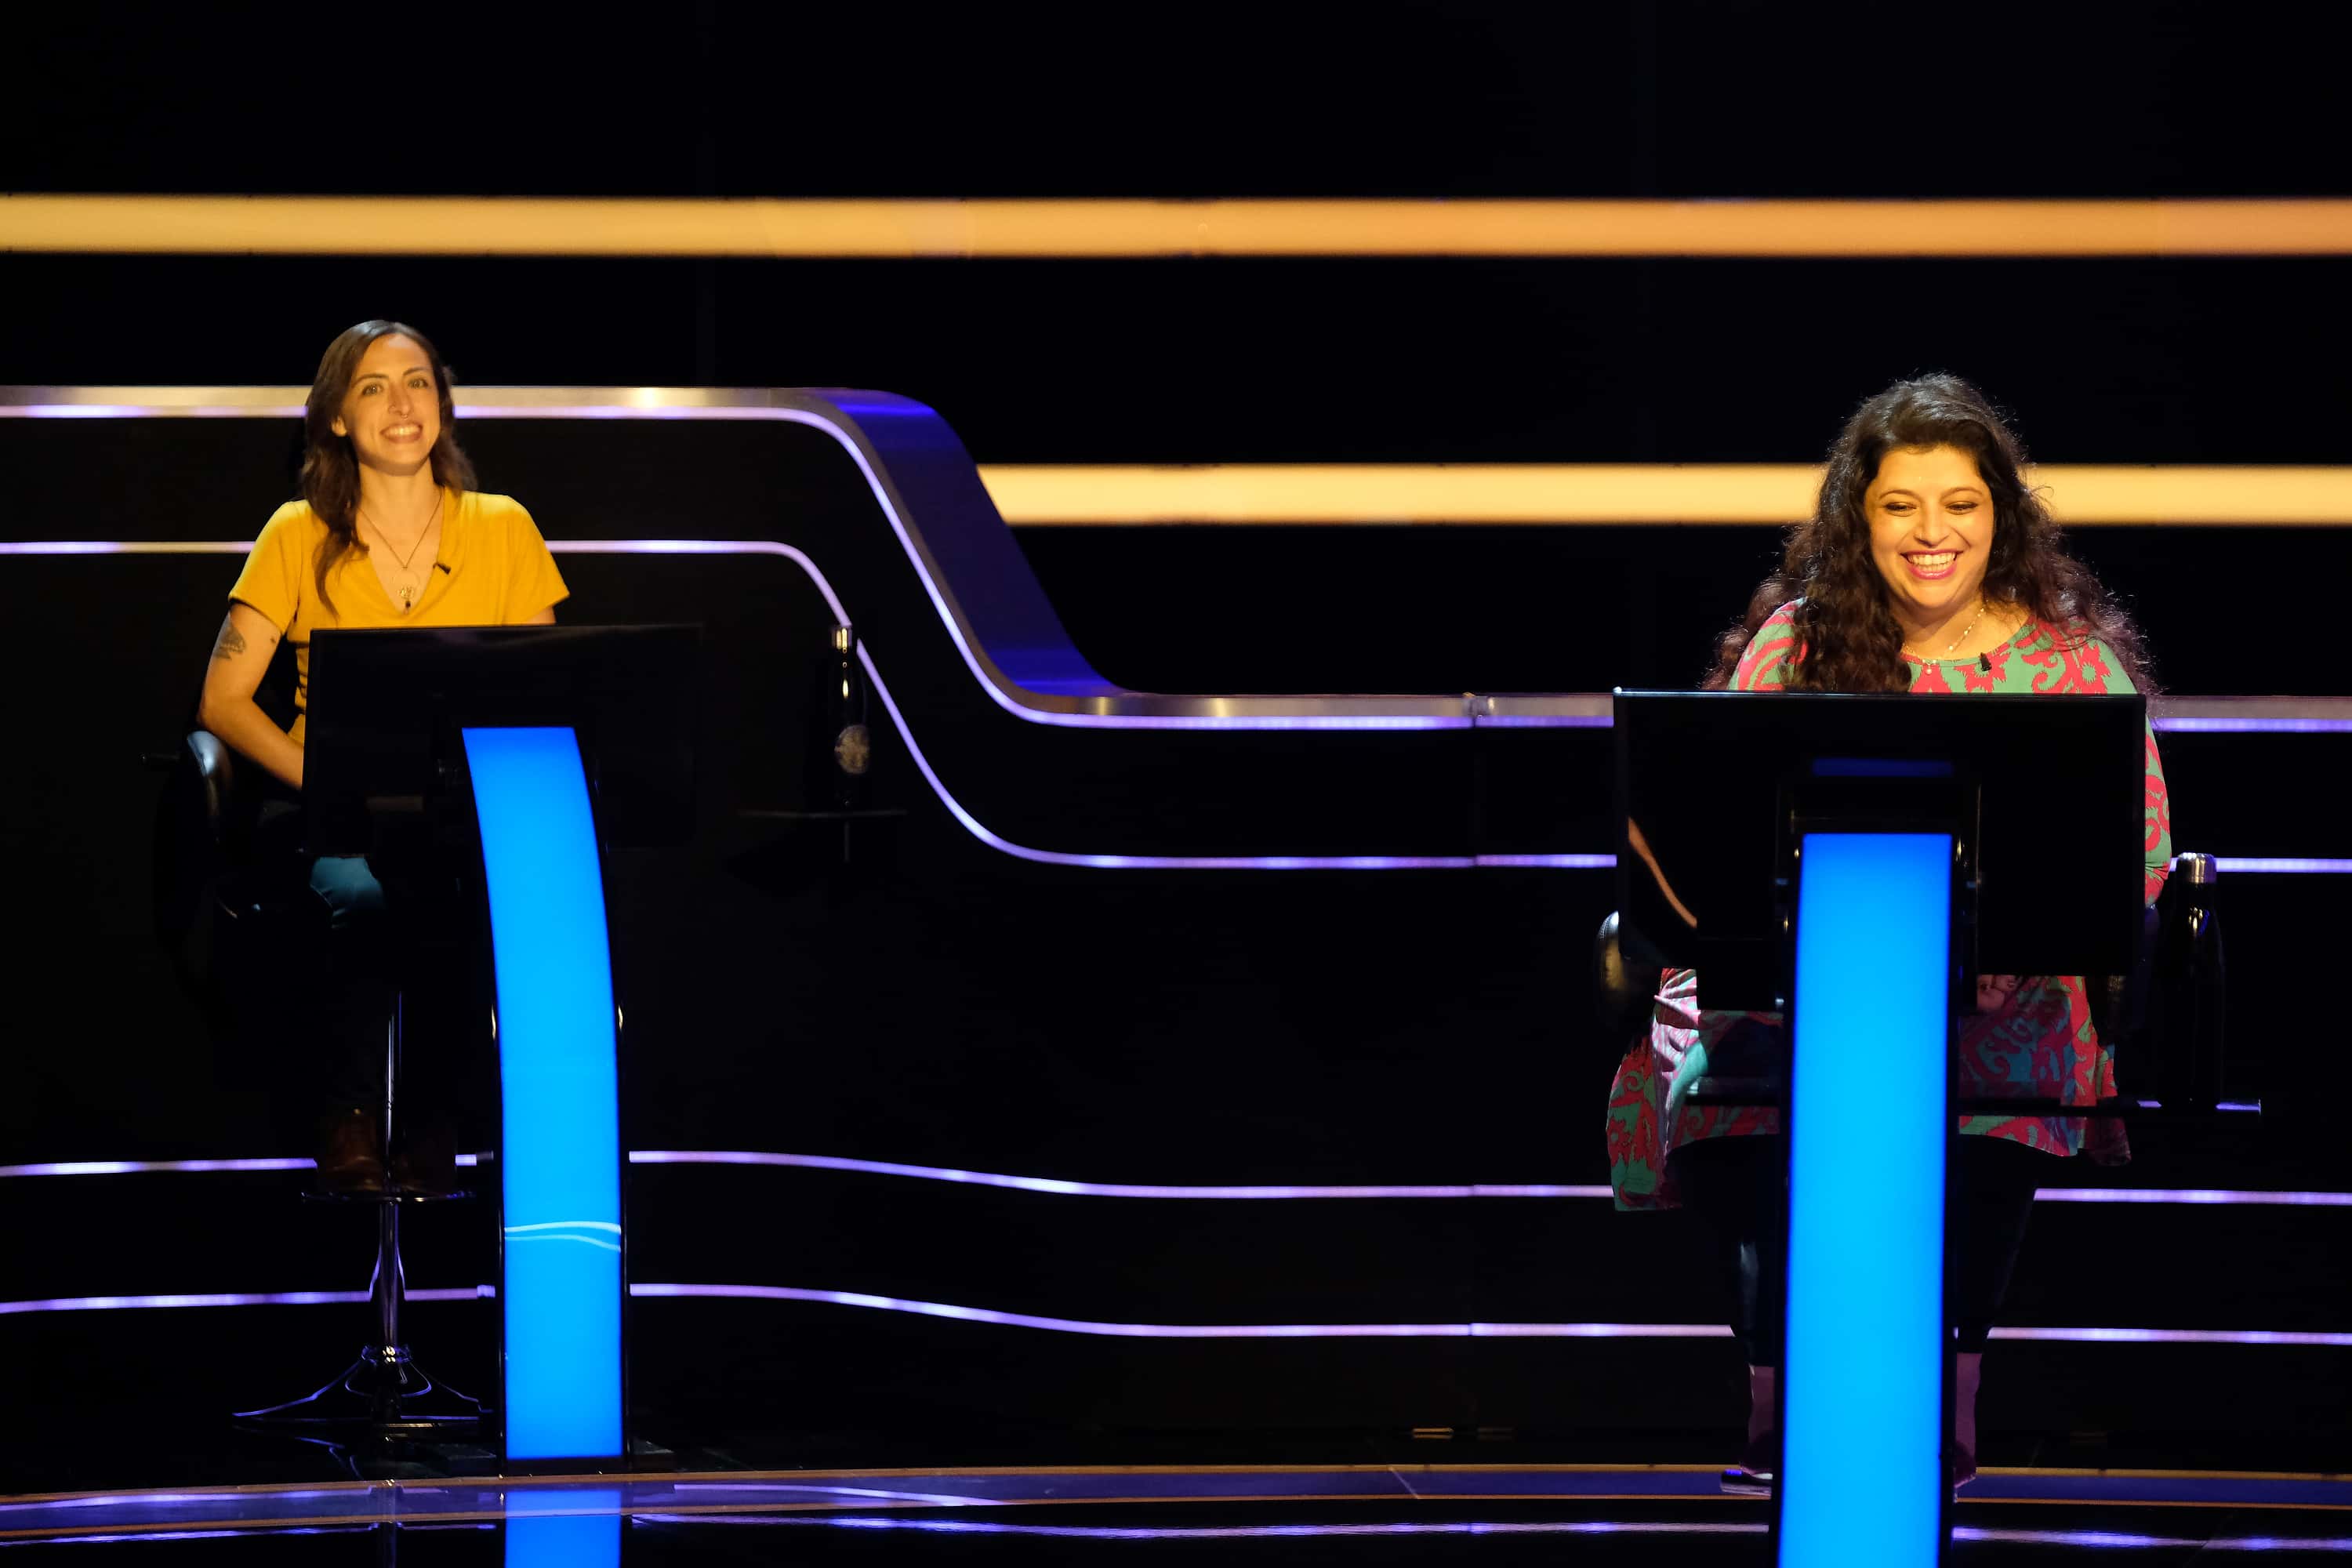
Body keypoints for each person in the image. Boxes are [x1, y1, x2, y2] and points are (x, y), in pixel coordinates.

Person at [1602, 373, 2172, 1496]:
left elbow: (2138, 857)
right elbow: (1712, 838)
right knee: (1725, 1095)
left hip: (2002, 1014)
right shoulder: (1796, 646)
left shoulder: (2072, 667)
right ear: (1858, 519)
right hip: (1805, 1003)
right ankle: (1778, 1379)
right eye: (1900, 504)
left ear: (2001, 514)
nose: (1931, 531)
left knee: (1975, 1112)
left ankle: (1949, 1389)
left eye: (1959, 503)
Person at [198, 320, 569, 1190]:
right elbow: (222, 700)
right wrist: (324, 780)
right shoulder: (296, 532)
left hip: (458, 810)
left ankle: (437, 1123)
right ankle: (351, 1118)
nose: (402, 403)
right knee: (364, 902)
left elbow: (545, 693)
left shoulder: (504, 526)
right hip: (330, 810)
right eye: (373, 386)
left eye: (418, 382)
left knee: (465, 896)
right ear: (336, 416)